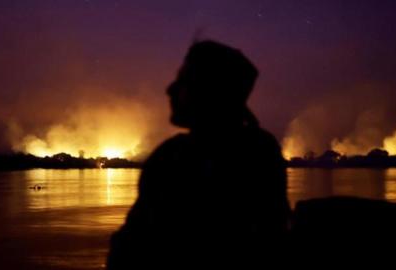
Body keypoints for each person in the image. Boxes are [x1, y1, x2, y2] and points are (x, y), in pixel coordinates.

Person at [107, 40, 291, 269]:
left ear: (207, 90)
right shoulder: (262, 151)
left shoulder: (173, 158)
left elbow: (132, 248)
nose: (170, 90)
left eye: (182, 81)